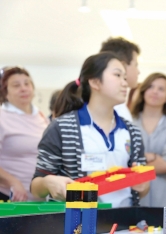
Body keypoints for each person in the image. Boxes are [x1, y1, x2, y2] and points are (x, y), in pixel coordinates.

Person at [30, 52, 147, 207]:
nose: (125, 83)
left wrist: (143, 186)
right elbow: (36, 187)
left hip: (124, 224)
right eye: (117, 75)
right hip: (79, 225)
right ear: (95, 82)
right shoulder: (62, 128)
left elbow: (142, 188)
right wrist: (48, 182)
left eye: (125, 78)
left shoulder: (132, 131)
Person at [130, 73, 166, 207]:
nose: (155, 91)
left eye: (161, 89)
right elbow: (123, 161)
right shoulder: (128, 124)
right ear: (143, 92)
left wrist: (137, 165)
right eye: (151, 87)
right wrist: (153, 157)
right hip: (135, 197)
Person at [0, 67, 49, 201]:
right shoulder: (2, 117)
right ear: (5, 92)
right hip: (10, 198)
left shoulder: (41, 116)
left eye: (27, 84)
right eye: (16, 85)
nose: (23, 88)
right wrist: (13, 182)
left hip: (40, 199)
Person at [100, 37, 141, 122]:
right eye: (136, 65)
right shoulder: (113, 107)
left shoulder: (117, 104)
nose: (138, 72)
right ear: (122, 65)